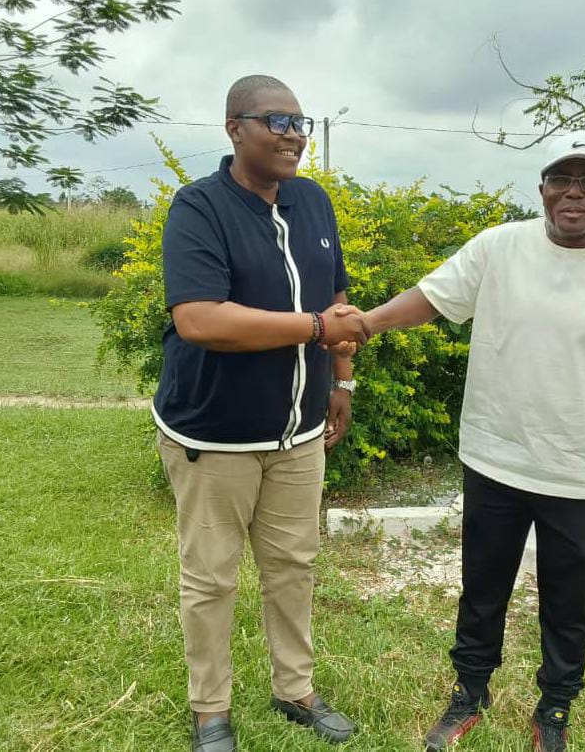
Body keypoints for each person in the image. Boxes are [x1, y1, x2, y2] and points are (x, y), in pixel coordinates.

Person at [357, 132, 585, 752]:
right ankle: (469, 692)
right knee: (482, 589)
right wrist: (368, 324)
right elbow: (432, 299)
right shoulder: (498, 247)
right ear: (542, 188)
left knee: (568, 602)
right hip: (495, 457)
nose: (574, 192)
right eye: (562, 178)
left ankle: (554, 708)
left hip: (582, 472)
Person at [152, 74, 368, 752]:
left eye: (300, 122)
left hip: (298, 432)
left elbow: (335, 299)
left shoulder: (312, 201)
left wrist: (343, 379)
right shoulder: (200, 207)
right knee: (211, 577)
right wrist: (314, 329)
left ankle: (294, 689)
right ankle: (209, 710)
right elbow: (200, 319)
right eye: (277, 121)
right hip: (213, 433)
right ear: (234, 129)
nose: (293, 135)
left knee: (292, 564)